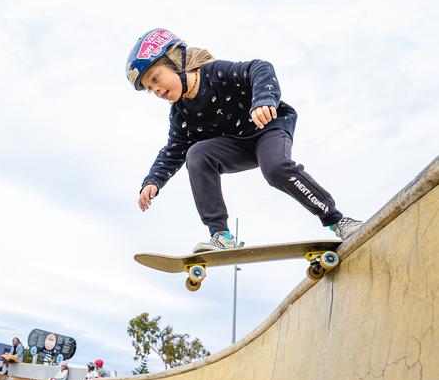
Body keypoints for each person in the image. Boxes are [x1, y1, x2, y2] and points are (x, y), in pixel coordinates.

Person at [127, 28, 364, 253]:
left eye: (156, 78)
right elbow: (173, 151)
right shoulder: (181, 115)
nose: (157, 90)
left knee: (276, 169)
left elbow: (259, 68)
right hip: (237, 146)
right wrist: (154, 180)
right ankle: (221, 236)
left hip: (268, 128)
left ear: (176, 61)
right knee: (197, 154)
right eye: (150, 88)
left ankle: (337, 220)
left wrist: (263, 99)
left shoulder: (215, 73)